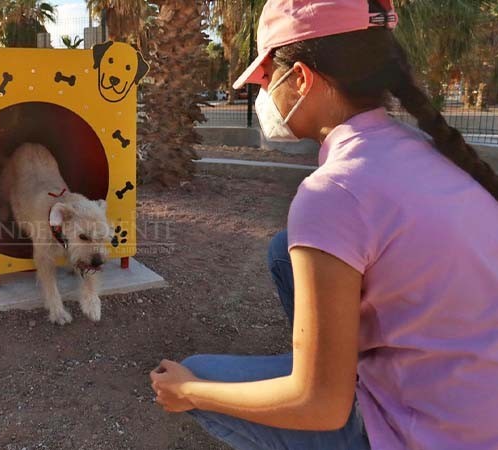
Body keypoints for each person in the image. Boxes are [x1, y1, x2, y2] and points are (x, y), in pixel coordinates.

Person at [149, 0, 498, 449]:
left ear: (300, 79)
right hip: (476, 414)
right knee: (284, 250)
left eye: (266, 78)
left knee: (198, 373)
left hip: (423, 435)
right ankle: (336, 364)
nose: (263, 94)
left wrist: (187, 392)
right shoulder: (423, 147)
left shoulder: (334, 192)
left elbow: (319, 406)